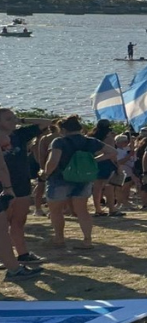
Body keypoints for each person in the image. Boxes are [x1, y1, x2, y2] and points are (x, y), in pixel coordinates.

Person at [40, 115, 117, 250]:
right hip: (83, 178)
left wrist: (45, 174)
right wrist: (93, 161)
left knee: (56, 211)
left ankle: (59, 238)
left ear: (63, 129)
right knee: (82, 211)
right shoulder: (90, 141)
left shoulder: (59, 142)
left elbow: (53, 161)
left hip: (60, 178)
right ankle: (87, 240)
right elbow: (112, 152)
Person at [0, 109, 52, 264]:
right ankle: (5, 257)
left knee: (19, 221)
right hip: (3, 186)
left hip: (22, 184)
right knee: (2, 224)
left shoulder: (20, 135)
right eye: (8, 119)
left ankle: (23, 254)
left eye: (13, 117)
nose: (13, 121)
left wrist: (21, 120)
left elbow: (46, 123)